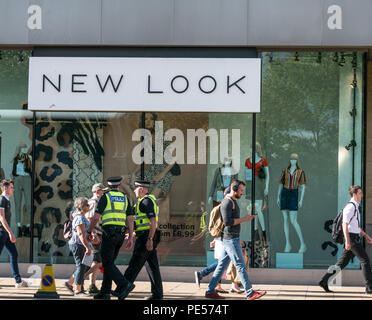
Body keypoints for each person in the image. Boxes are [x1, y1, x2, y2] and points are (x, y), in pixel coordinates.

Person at [205, 179, 266, 300]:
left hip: (231, 239)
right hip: (230, 239)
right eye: (241, 190)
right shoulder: (227, 202)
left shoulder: (232, 201)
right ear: (234, 189)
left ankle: (210, 291)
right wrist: (245, 219)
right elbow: (227, 222)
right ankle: (250, 293)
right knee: (240, 265)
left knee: (222, 266)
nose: (242, 193)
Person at [319, 185, 372, 294]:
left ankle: (324, 281)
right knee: (365, 260)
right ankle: (369, 287)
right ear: (354, 194)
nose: (361, 195)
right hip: (351, 238)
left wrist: (365, 235)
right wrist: (347, 241)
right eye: (360, 193)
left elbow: (355, 226)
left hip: (353, 236)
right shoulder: (350, 207)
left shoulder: (356, 206)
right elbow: (345, 224)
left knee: (341, 264)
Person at [88, 176, 135, 300]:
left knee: (107, 262)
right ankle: (105, 292)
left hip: (109, 233)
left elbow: (96, 217)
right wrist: (130, 236)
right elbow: (130, 218)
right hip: (120, 234)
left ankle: (125, 284)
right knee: (110, 263)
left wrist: (89, 230)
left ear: (108, 186)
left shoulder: (106, 197)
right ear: (119, 186)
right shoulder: (125, 197)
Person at [123, 180, 163, 300]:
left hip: (147, 237)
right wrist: (134, 233)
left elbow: (153, 221)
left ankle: (123, 288)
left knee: (135, 264)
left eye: (135, 189)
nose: (134, 191)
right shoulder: (143, 201)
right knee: (152, 266)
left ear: (140, 189)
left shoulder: (146, 201)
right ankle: (157, 295)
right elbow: (143, 223)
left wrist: (150, 239)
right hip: (146, 235)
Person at [0, 179, 29, 288]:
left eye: (13, 187)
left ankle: (18, 281)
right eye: (11, 187)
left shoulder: (6, 200)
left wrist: (9, 233)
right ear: (5, 188)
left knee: (14, 254)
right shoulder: (2, 200)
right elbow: (2, 218)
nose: (13, 189)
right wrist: (11, 233)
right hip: (2, 232)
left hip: (5, 233)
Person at [277, 153, 307, 253]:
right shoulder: (284, 171)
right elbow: (281, 184)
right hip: (285, 194)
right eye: (291, 159)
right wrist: (278, 196)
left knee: (293, 220)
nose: (292, 161)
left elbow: (303, 186)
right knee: (285, 219)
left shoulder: (300, 172)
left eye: (294, 159)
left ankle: (302, 243)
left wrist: (301, 199)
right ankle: (287, 244)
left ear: (297, 160)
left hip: (294, 193)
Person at [85, 183, 108, 294]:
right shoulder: (94, 202)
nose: (104, 192)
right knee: (97, 261)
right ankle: (81, 280)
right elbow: (90, 218)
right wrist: (93, 233)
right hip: (96, 235)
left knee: (97, 260)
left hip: (98, 234)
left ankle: (91, 284)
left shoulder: (97, 202)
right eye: (102, 191)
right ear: (97, 191)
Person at [68, 197, 92, 296]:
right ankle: (78, 290)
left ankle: (76, 286)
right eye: (87, 205)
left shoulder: (81, 217)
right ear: (82, 206)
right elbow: (80, 234)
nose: (89, 206)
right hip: (78, 244)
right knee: (80, 266)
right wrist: (87, 247)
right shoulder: (79, 218)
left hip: (80, 244)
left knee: (83, 266)